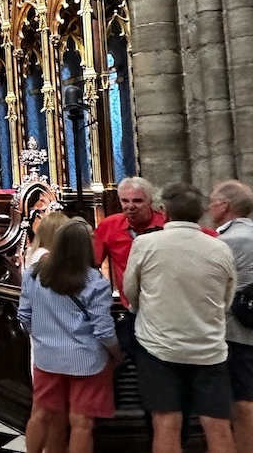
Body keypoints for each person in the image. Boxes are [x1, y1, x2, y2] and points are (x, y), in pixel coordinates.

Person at [125, 182, 237, 453]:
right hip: (208, 348)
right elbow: (227, 299)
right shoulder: (220, 248)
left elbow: (130, 290)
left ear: (163, 211)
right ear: (201, 213)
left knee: (166, 422)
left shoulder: (145, 244)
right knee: (217, 424)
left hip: (158, 347)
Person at [19, 218, 123, 453]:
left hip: (47, 358)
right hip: (87, 361)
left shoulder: (34, 273)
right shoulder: (95, 282)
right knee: (81, 423)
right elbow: (103, 329)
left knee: (40, 414)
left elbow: (24, 315)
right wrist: (116, 352)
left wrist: (44, 337)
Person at [214, 180, 253, 453]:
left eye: (212, 202)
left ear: (224, 206)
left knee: (242, 400)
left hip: (237, 330)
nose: (208, 207)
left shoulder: (228, 241)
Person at [93, 177, 166, 308]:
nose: (130, 206)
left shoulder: (166, 225)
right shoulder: (110, 226)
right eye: (125, 201)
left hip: (164, 305)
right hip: (131, 308)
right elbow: (91, 264)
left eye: (137, 201)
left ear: (150, 201)